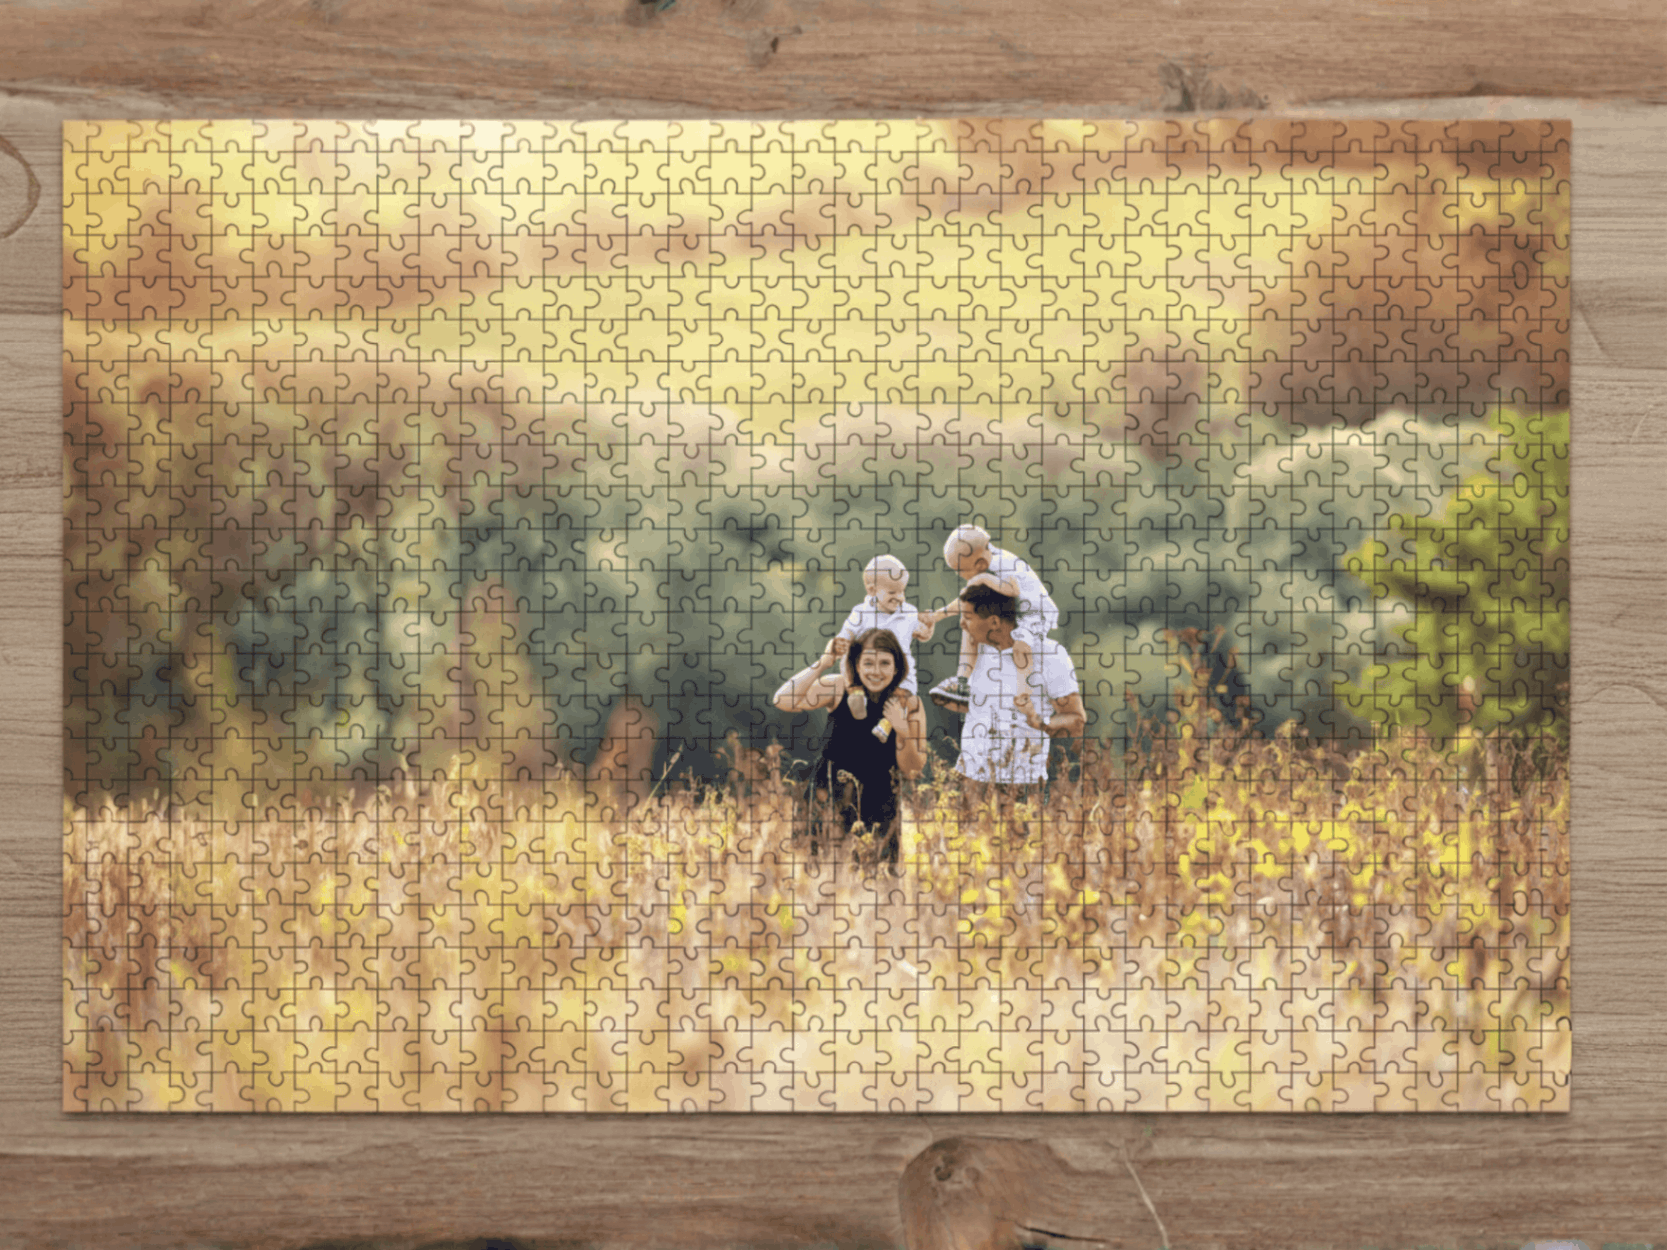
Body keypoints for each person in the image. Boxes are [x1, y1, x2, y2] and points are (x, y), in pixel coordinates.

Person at [772, 627, 928, 868]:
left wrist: (902, 728)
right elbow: (783, 699)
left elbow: (912, 769)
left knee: (879, 890)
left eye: (885, 663)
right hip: (826, 800)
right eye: (868, 663)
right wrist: (824, 662)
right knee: (816, 886)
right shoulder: (838, 688)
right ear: (856, 665)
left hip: (879, 808)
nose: (876, 672)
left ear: (897, 667)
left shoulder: (909, 703)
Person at [953, 583, 1085, 829]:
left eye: (967, 617)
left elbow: (1076, 720)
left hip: (1022, 786)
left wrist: (1040, 721)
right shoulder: (977, 653)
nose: (961, 624)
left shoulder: (1050, 655)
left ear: (993, 622)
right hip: (968, 781)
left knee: (1019, 862)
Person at [926, 525, 1061, 716]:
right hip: (1012, 613)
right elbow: (966, 599)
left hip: (1035, 615)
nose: (958, 575)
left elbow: (1012, 590)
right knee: (970, 624)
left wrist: (984, 579)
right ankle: (963, 682)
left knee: (1021, 646)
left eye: (959, 570)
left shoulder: (1001, 563)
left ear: (979, 564)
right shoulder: (983, 567)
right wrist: (937, 615)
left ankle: (1024, 694)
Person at [835, 553, 955, 702]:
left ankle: (894, 710)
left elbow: (923, 635)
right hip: (866, 672)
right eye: (892, 592)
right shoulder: (861, 611)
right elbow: (847, 633)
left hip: (899, 676)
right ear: (872, 590)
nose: (900, 597)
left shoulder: (909, 612)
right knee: (847, 659)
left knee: (904, 691)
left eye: (902, 591)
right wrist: (841, 641)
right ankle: (855, 692)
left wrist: (929, 626)